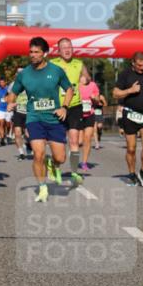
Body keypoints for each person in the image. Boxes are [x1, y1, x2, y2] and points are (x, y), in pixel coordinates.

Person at [11, 37, 74, 202]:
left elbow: (69, 89)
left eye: (36, 52)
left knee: (60, 157)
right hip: (34, 118)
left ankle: (53, 164)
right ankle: (42, 187)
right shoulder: (24, 74)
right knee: (38, 154)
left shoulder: (56, 71)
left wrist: (65, 107)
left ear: (45, 53)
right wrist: (11, 102)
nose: (32, 55)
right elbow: (14, 92)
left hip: (54, 119)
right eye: (31, 52)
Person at [113, 52, 143, 187]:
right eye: (139, 65)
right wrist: (130, 90)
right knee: (131, 148)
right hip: (130, 114)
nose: (142, 68)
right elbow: (115, 93)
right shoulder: (125, 74)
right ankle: (132, 173)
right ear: (133, 63)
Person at [51, 38, 89, 184]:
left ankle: (74, 173)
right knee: (58, 143)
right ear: (59, 50)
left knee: (74, 140)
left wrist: (85, 78)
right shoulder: (53, 64)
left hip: (74, 106)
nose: (67, 50)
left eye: (69, 47)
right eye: (64, 48)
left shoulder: (78, 64)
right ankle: (56, 167)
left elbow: (87, 77)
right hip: (57, 107)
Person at [78, 74, 101, 171]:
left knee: (87, 138)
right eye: (84, 76)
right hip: (77, 115)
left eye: (87, 76)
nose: (86, 78)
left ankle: (84, 162)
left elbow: (98, 100)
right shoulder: (76, 85)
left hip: (89, 114)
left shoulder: (93, 85)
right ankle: (74, 159)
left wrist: (94, 98)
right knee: (79, 142)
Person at [9, 74, 30, 160]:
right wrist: (11, 103)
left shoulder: (31, 83)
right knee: (17, 133)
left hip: (29, 112)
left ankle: (29, 144)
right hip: (18, 111)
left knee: (28, 134)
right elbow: (9, 97)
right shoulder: (13, 84)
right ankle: (21, 153)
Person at [0, 77, 12, 145]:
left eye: (2, 82)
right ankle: (2, 138)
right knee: (1, 123)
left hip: (8, 108)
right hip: (0, 108)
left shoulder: (9, 89)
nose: (1, 84)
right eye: (0, 83)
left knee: (8, 124)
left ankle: (7, 135)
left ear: (5, 82)